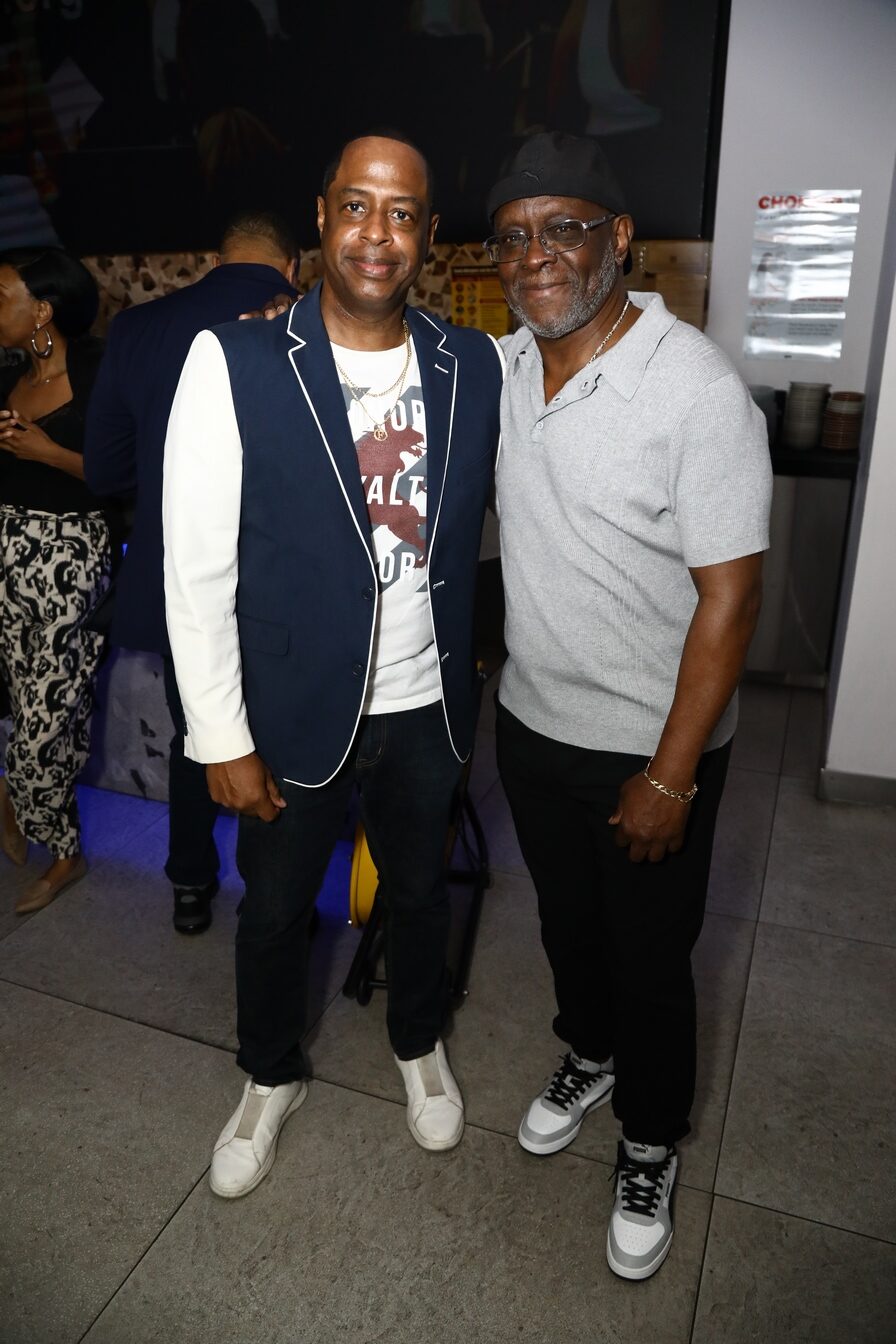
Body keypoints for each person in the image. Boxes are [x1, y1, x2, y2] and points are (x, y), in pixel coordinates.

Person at [162, 133, 503, 1197]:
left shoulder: (475, 364)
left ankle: (418, 1042)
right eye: (356, 205)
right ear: (321, 217)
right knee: (271, 911)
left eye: (401, 213)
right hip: (292, 706)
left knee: (418, 892)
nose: (376, 233)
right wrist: (220, 737)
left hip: (425, 703)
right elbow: (194, 567)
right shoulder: (236, 360)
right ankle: (270, 1074)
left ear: (428, 235)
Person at [483, 132, 772, 1280]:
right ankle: (588, 1053)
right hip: (531, 726)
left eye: (562, 227)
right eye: (513, 235)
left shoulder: (694, 389)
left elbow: (730, 602)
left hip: (650, 749)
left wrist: (668, 776)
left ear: (617, 238)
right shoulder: (506, 365)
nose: (536, 254)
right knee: (567, 929)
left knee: (651, 957)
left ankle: (648, 1137)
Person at [84, 210, 299, 935]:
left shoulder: (139, 328)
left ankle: (189, 883)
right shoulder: (307, 322)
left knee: (197, 730)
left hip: (179, 575)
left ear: (215, 259)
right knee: (282, 740)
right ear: (293, 265)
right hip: (283, 579)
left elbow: (107, 470)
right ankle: (278, 898)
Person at [0, 247, 110, 912]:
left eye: (2, 296)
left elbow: (120, 474)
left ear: (42, 309)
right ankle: (59, 843)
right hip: (9, 554)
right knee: (27, 701)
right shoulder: (5, 378)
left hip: (71, 555)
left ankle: (20, 798)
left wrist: (46, 451)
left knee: (48, 716)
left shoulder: (98, 372)